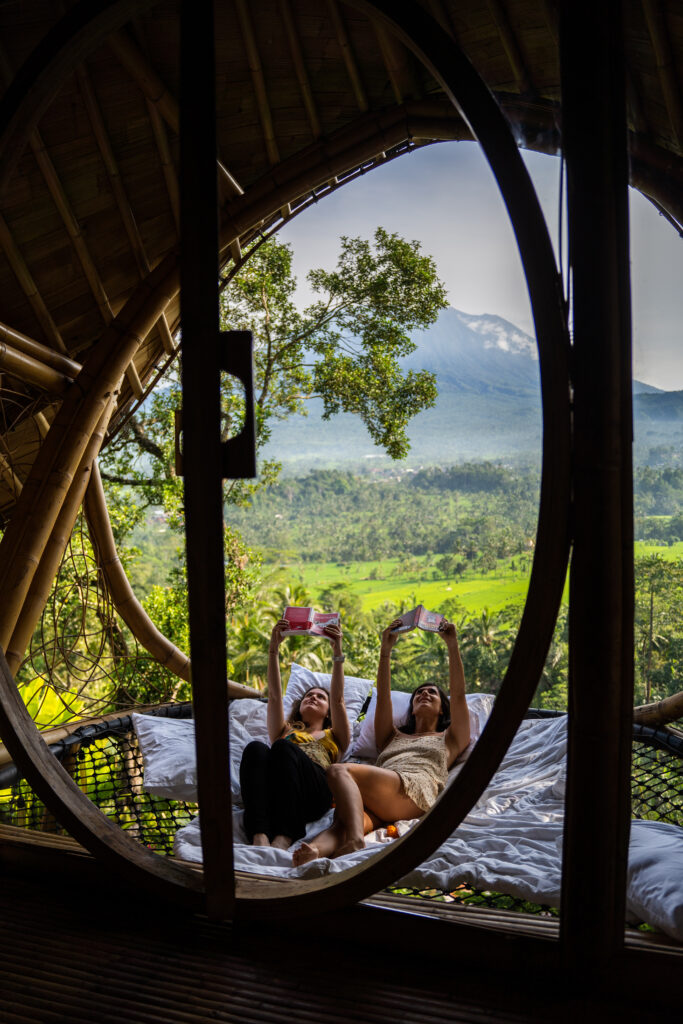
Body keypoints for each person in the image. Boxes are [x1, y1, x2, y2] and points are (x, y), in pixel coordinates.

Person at [292, 617, 470, 865]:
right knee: (342, 822)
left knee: (338, 771)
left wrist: (452, 645)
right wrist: (385, 650)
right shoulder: (392, 735)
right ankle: (314, 852)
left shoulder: (450, 738)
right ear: (412, 707)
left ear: (442, 710)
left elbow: (460, 696)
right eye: (419, 692)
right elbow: (383, 697)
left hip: (415, 790)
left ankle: (355, 841)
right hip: (383, 798)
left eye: (433, 693)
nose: (424, 694)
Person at [239, 616, 350, 850]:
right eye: (309, 695)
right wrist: (273, 649)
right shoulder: (284, 730)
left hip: (313, 793)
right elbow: (275, 697)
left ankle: (286, 835)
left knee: (281, 747)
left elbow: (339, 699)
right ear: (299, 706)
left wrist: (337, 651)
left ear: (328, 711)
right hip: (277, 792)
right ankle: (259, 833)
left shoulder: (335, 735)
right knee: (256, 748)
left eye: (321, 697)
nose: (313, 697)